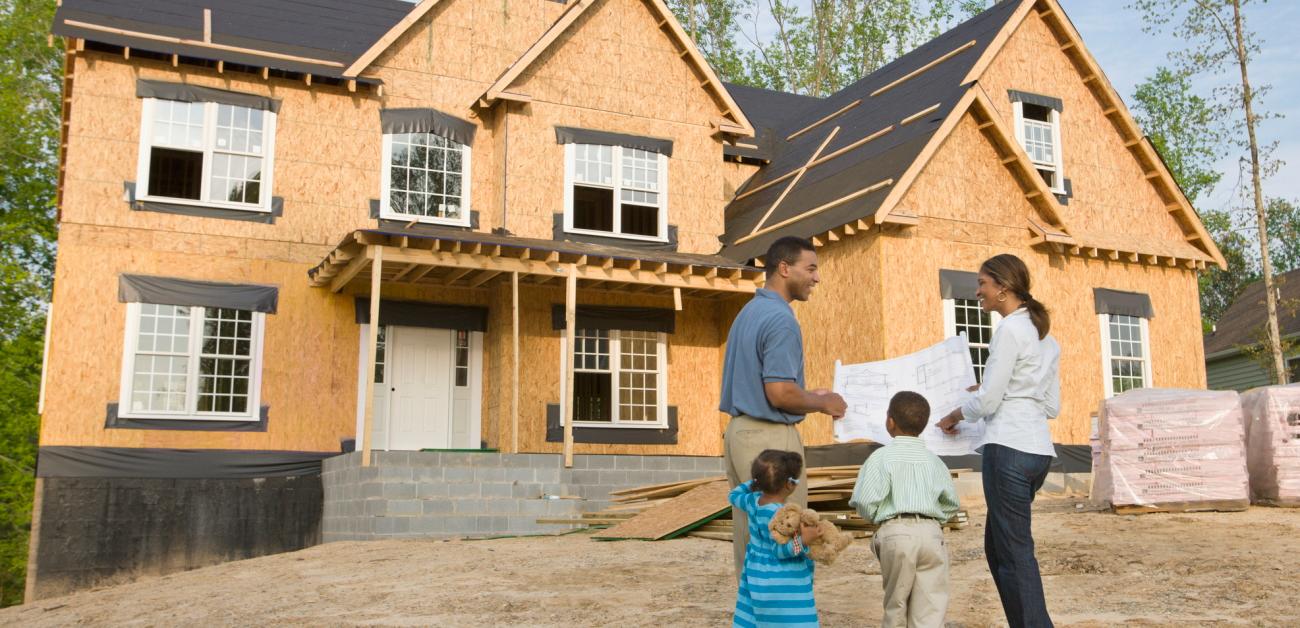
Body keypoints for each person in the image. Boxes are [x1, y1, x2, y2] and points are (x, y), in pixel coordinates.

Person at [935, 253, 1060, 628]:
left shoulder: (1008, 331)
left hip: (1008, 450)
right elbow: (1051, 405)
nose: (978, 292)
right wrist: (991, 388)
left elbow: (988, 402)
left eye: (983, 284)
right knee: (998, 547)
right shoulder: (1045, 338)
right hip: (1038, 450)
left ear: (1003, 287)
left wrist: (956, 414)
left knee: (1016, 551)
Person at [720, 236, 847, 579]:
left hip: (739, 434)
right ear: (784, 268)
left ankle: (756, 613)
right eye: (811, 268)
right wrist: (823, 402)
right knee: (785, 534)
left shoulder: (749, 313)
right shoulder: (781, 320)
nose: (816, 278)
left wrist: (804, 392)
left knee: (753, 539)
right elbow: (778, 393)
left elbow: (772, 387)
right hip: (770, 440)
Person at [849, 391, 961, 628]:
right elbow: (951, 503)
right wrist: (932, 519)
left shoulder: (880, 458)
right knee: (931, 611)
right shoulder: (934, 460)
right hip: (932, 534)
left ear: (890, 421)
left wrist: (880, 520)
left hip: (896, 532)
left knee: (896, 606)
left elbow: (865, 501)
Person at [730, 449, 821, 628]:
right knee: (790, 619)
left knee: (755, 615)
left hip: (756, 573)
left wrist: (758, 481)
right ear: (789, 484)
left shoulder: (752, 501)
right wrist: (804, 540)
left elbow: (733, 495)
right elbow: (779, 551)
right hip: (780, 578)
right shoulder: (780, 515)